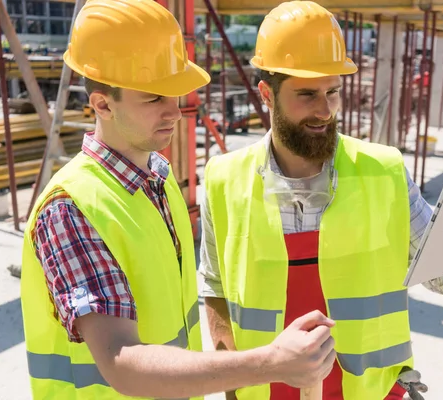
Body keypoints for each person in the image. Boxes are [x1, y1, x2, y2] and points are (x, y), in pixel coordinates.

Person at [198, 2, 443, 399]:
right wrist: (230, 383)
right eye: (307, 94)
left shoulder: (384, 171)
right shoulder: (223, 179)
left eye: (333, 92)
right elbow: (215, 288)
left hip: (370, 392)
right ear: (266, 94)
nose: (324, 110)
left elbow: (442, 276)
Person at [20, 0, 337, 399]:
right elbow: (122, 360)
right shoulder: (69, 209)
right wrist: (271, 362)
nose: (174, 111)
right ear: (102, 103)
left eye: (175, 94)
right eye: (153, 99)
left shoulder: (159, 176)